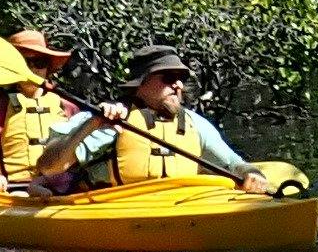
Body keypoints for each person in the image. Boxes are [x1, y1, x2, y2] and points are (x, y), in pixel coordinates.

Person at [34, 45, 281, 196]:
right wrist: (92, 126)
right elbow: (48, 167)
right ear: (141, 84)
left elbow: (233, 163)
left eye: (181, 77)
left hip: (178, 209)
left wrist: (251, 173)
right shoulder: (111, 121)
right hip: (114, 211)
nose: (178, 85)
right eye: (168, 77)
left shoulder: (195, 125)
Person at [0, 27, 83, 191]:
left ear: (47, 68)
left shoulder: (69, 108)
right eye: (24, 63)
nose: (32, 69)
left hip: (64, 191)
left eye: (39, 62)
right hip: (16, 192)